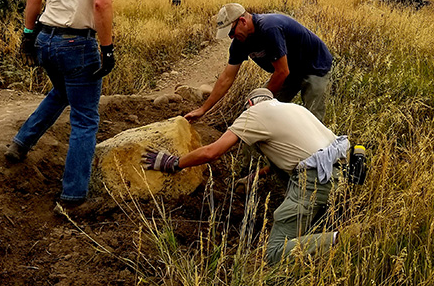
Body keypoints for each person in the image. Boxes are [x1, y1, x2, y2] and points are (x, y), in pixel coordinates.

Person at [4, 0, 128, 209]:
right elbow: (101, 2)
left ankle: (21, 143)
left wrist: (28, 35)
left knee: (62, 92)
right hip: (77, 45)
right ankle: (73, 197)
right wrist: (107, 48)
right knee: (85, 120)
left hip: (46, 39)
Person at [143, 88, 347, 264]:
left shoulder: (254, 114)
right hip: (338, 174)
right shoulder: (295, 109)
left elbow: (212, 152)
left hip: (313, 182)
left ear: (249, 104)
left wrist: (175, 162)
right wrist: (254, 176)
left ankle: (344, 239)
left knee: (274, 252)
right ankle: (320, 231)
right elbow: (300, 153)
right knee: (307, 224)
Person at [184, 3, 333, 122]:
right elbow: (226, 78)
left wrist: (263, 100)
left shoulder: (269, 28)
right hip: (289, 70)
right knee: (254, 113)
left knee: (312, 119)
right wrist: (203, 109)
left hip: (314, 66)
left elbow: (282, 72)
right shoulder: (239, 42)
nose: (231, 38)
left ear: (242, 21)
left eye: (231, 32)